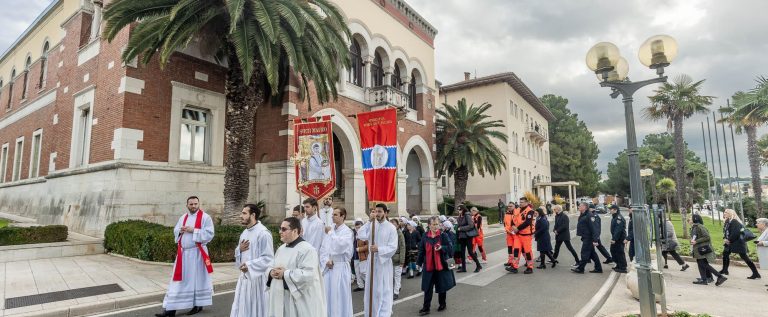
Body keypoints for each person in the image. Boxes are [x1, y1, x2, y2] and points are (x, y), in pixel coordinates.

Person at [156, 196, 214, 317]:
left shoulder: (205, 217)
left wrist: (194, 230)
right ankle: (170, 308)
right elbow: (176, 230)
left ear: (199, 204)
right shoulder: (183, 217)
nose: (193, 206)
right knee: (178, 281)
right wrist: (180, 231)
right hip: (183, 255)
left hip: (197, 254)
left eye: (195, 204)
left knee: (196, 281)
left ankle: (195, 305)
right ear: (187, 205)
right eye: (191, 204)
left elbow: (209, 234)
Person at [267, 217, 326, 316]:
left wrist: (285, 274)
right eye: (280, 228)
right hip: (279, 298)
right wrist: (271, 272)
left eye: (284, 229)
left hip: (296, 301)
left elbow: (309, 275)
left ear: (295, 231)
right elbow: (271, 266)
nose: (280, 232)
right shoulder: (281, 249)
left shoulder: (307, 249)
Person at [230, 204, 274, 317]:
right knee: (243, 308)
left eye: (244, 213)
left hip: (257, 280)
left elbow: (268, 258)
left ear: (253, 215)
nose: (241, 216)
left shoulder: (263, 233)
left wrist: (249, 265)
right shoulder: (244, 232)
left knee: (256, 309)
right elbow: (239, 252)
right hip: (244, 278)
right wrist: (239, 249)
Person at [357, 203, 399, 317]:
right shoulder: (371, 225)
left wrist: (379, 249)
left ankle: (383, 313)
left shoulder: (391, 228)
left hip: (383, 263)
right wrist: (369, 221)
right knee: (372, 290)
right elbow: (360, 235)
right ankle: (371, 312)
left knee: (383, 290)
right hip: (371, 262)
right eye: (375, 211)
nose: (377, 214)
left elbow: (393, 247)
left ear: (386, 213)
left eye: (380, 211)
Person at [417, 216, 456, 316]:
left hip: (441, 266)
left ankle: (442, 304)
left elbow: (451, 248)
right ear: (429, 225)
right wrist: (418, 263)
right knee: (427, 288)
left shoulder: (443, 236)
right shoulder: (425, 236)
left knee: (442, 286)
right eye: (433, 224)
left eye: (437, 224)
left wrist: (442, 247)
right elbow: (421, 250)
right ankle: (426, 308)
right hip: (429, 266)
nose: (435, 226)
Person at [320, 207, 354, 317]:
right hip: (329, 268)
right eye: (332, 214)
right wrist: (326, 260)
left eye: (335, 214)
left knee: (339, 296)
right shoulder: (331, 230)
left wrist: (330, 233)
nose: (332, 216)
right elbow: (324, 248)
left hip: (340, 267)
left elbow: (340, 246)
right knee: (328, 296)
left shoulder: (347, 232)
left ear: (343, 216)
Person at [719, 209, 760, 279]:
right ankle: (724, 270)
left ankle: (756, 273)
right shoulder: (727, 221)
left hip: (738, 243)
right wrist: (725, 238)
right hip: (730, 242)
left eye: (726, 212)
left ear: (730, 214)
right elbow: (726, 232)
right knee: (725, 254)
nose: (724, 213)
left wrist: (729, 240)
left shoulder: (734, 221)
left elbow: (736, 233)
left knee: (744, 257)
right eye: (724, 212)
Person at [689, 214, 727, 286]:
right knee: (700, 263)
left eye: (691, 218)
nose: (690, 220)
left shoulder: (700, 226)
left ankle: (719, 276)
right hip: (698, 249)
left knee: (703, 264)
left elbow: (707, 237)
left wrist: (696, 241)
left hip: (701, 249)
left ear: (695, 219)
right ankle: (704, 280)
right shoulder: (695, 227)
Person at [572, 202, 602, 274]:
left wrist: (595, 240)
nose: (578, 207)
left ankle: (581, 268)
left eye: (580, 206)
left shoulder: (590, 215)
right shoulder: (583, 214)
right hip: (585, 237)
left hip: (589, 238)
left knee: (584, 253)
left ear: (585, 207)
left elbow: (594, 228)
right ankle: (598, 268)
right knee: (592, 254)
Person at [507, 197, 535, 274]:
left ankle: (530, 267)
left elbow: (527, 222)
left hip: (526, 235)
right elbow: (513, 219)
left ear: (526, 202)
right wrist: (513, 226)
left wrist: (517, 228)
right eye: (520, 202)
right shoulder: (518, 210)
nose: (520, 203)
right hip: (518, 235)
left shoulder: (530, 211)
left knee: (528, 252)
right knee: (516, 250)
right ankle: (514, 266)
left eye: (522, 202)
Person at [456, 205, 482, 273]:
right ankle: (464, 268)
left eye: (460, 209)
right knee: (462, 253)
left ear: (463, 209)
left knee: (470, 252)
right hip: (462, 237)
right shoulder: (459, 217)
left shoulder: (467, 215)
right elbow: (459, 226)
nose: (459, 211)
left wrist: (461, 228)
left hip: (468, 236)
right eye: (458, 210)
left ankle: (478, 265)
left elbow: (471, 225)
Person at [389, 218, 406, 299]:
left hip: (398, 257)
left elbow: (403, 247)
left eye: (394, 224)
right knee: (392, 276)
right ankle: (398, 286)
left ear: (397, 225)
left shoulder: (399, 234)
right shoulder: (389, 233)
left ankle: (396, 292)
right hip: (390, 259)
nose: (392, 226)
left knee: (397, 276)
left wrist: (402, 260)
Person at [608, 205, 628, 273]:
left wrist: (614, 239)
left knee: (620, 252)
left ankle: (623, 267)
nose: (610, 210)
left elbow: (618, 230)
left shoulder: (619, 218)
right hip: (616, 237)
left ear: (615, 210)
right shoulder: (615, 217)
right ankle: (618, 265)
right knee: (613, 251)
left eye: (611, 209)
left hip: (619, 238)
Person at [353, 218, 367, 292]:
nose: (358, 229)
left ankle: (369, 284)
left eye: (359, 227)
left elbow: (368, 246)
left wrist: (360, 249)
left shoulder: (365, 234)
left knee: (363, 272)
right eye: (356, 227)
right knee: (357, 272)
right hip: (355, 256)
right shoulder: (353, 234)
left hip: (362, 256)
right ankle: (360, 285)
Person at [503, 202, 518, 268]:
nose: (509, 207)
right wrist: (507, 230)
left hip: (515, 234)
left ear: (514, 206)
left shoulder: (517, 213)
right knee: (509, 248)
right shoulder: (506, 213)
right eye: (508, 206)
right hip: (509, 233)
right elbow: (505, 223)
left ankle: (527, 261)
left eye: (511, 206)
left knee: (517, 249)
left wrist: (514, 230)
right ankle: (510, 261)